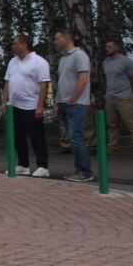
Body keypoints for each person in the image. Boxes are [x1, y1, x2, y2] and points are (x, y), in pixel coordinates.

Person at [1, 34, 52, 178]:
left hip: (31, 104)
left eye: (15, 44)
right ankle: (23, 164)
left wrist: (40, 106)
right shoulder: (13, 62)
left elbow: (44, 85)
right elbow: (7, 82)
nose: (13, 46)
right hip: (15, 105)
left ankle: (43, 166)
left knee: (37, 136)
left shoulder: (39, 62)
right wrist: (4, 102)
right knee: (18, 136)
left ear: (24, 44)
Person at [52, 30, 93, 180]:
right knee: (72, 137)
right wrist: (57, 103)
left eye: (57, 39)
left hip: (76, 103)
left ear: (66, 39)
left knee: (77, 137)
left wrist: (73, 98)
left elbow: (83, 79)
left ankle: (84, 171)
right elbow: (62, 82)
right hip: (64, 101)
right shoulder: (63, 59)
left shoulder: (79, 56)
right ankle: (80, 169)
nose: (55, 42)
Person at [103, 39, 133, 159]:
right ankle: (112, 149)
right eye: (106, 47)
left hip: (124, 97)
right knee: (112, 125)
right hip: (110, 97)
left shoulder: (126, 61)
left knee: (131, 123)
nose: (107, 49)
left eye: (109, 47)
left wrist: (130, 90)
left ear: (116, 47)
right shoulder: (105, 62)